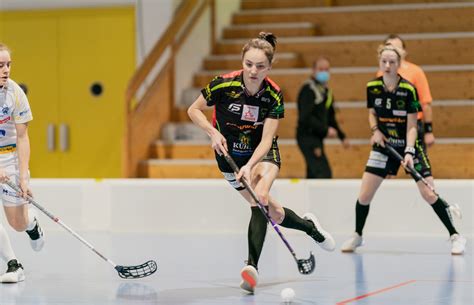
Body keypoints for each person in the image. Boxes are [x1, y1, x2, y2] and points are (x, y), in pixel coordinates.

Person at [187, 32, 335, 293]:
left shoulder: (274, 95)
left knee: (261, 197)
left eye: (260, 66)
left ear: (270, 66)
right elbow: (193, 110)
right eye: (248, 64)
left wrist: (250, 165)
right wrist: (213, 133)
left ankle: (251, 268)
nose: (253, 71)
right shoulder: (223, 85)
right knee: (273, 213)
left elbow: (267, 140)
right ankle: (309, 227)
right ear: (242, 61)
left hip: (262, 154)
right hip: (228, 159)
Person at [340, 44, 466, 255]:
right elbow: (372, 112)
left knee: (429, 193)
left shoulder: (408, 89)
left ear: (399, 64)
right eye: (384, 62)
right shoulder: (372, 86)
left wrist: (408, 151)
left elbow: (412, 126)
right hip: (383, 145)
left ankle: (455, 235)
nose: (388, 66)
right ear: (379, 63)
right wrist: (375, 130)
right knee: (364, 195)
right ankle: (357, 235)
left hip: (409, 144)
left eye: (392, 62)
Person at [0, 43, 45, 283]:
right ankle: (13, 265)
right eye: (0, 65)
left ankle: (31, 223)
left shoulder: (15, 92)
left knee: (17, 223)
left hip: (10, 160)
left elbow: (22, 136)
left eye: (8, 64)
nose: (6, 70)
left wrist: (24, 178)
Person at [377, 34, 435, 147]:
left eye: (397, 48)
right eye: (389, 48)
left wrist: (429, 131)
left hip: (412, 124)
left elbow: (425, 103)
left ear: (403, 52)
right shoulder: (381, 73)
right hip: (389, 126)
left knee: (415, 162)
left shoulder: (415, 72)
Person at [296, 56, 349, 178]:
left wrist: (342, 137)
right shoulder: (308, 90)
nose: (324, 72)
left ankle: (310, 198)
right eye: (321, 69)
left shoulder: (326, 91)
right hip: (307, 137)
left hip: (317, 138)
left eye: (326, 69)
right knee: (323, 173)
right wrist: (325, 130)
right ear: (313, 70)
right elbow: (305, 117)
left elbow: (331, 117)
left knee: (312, 174)